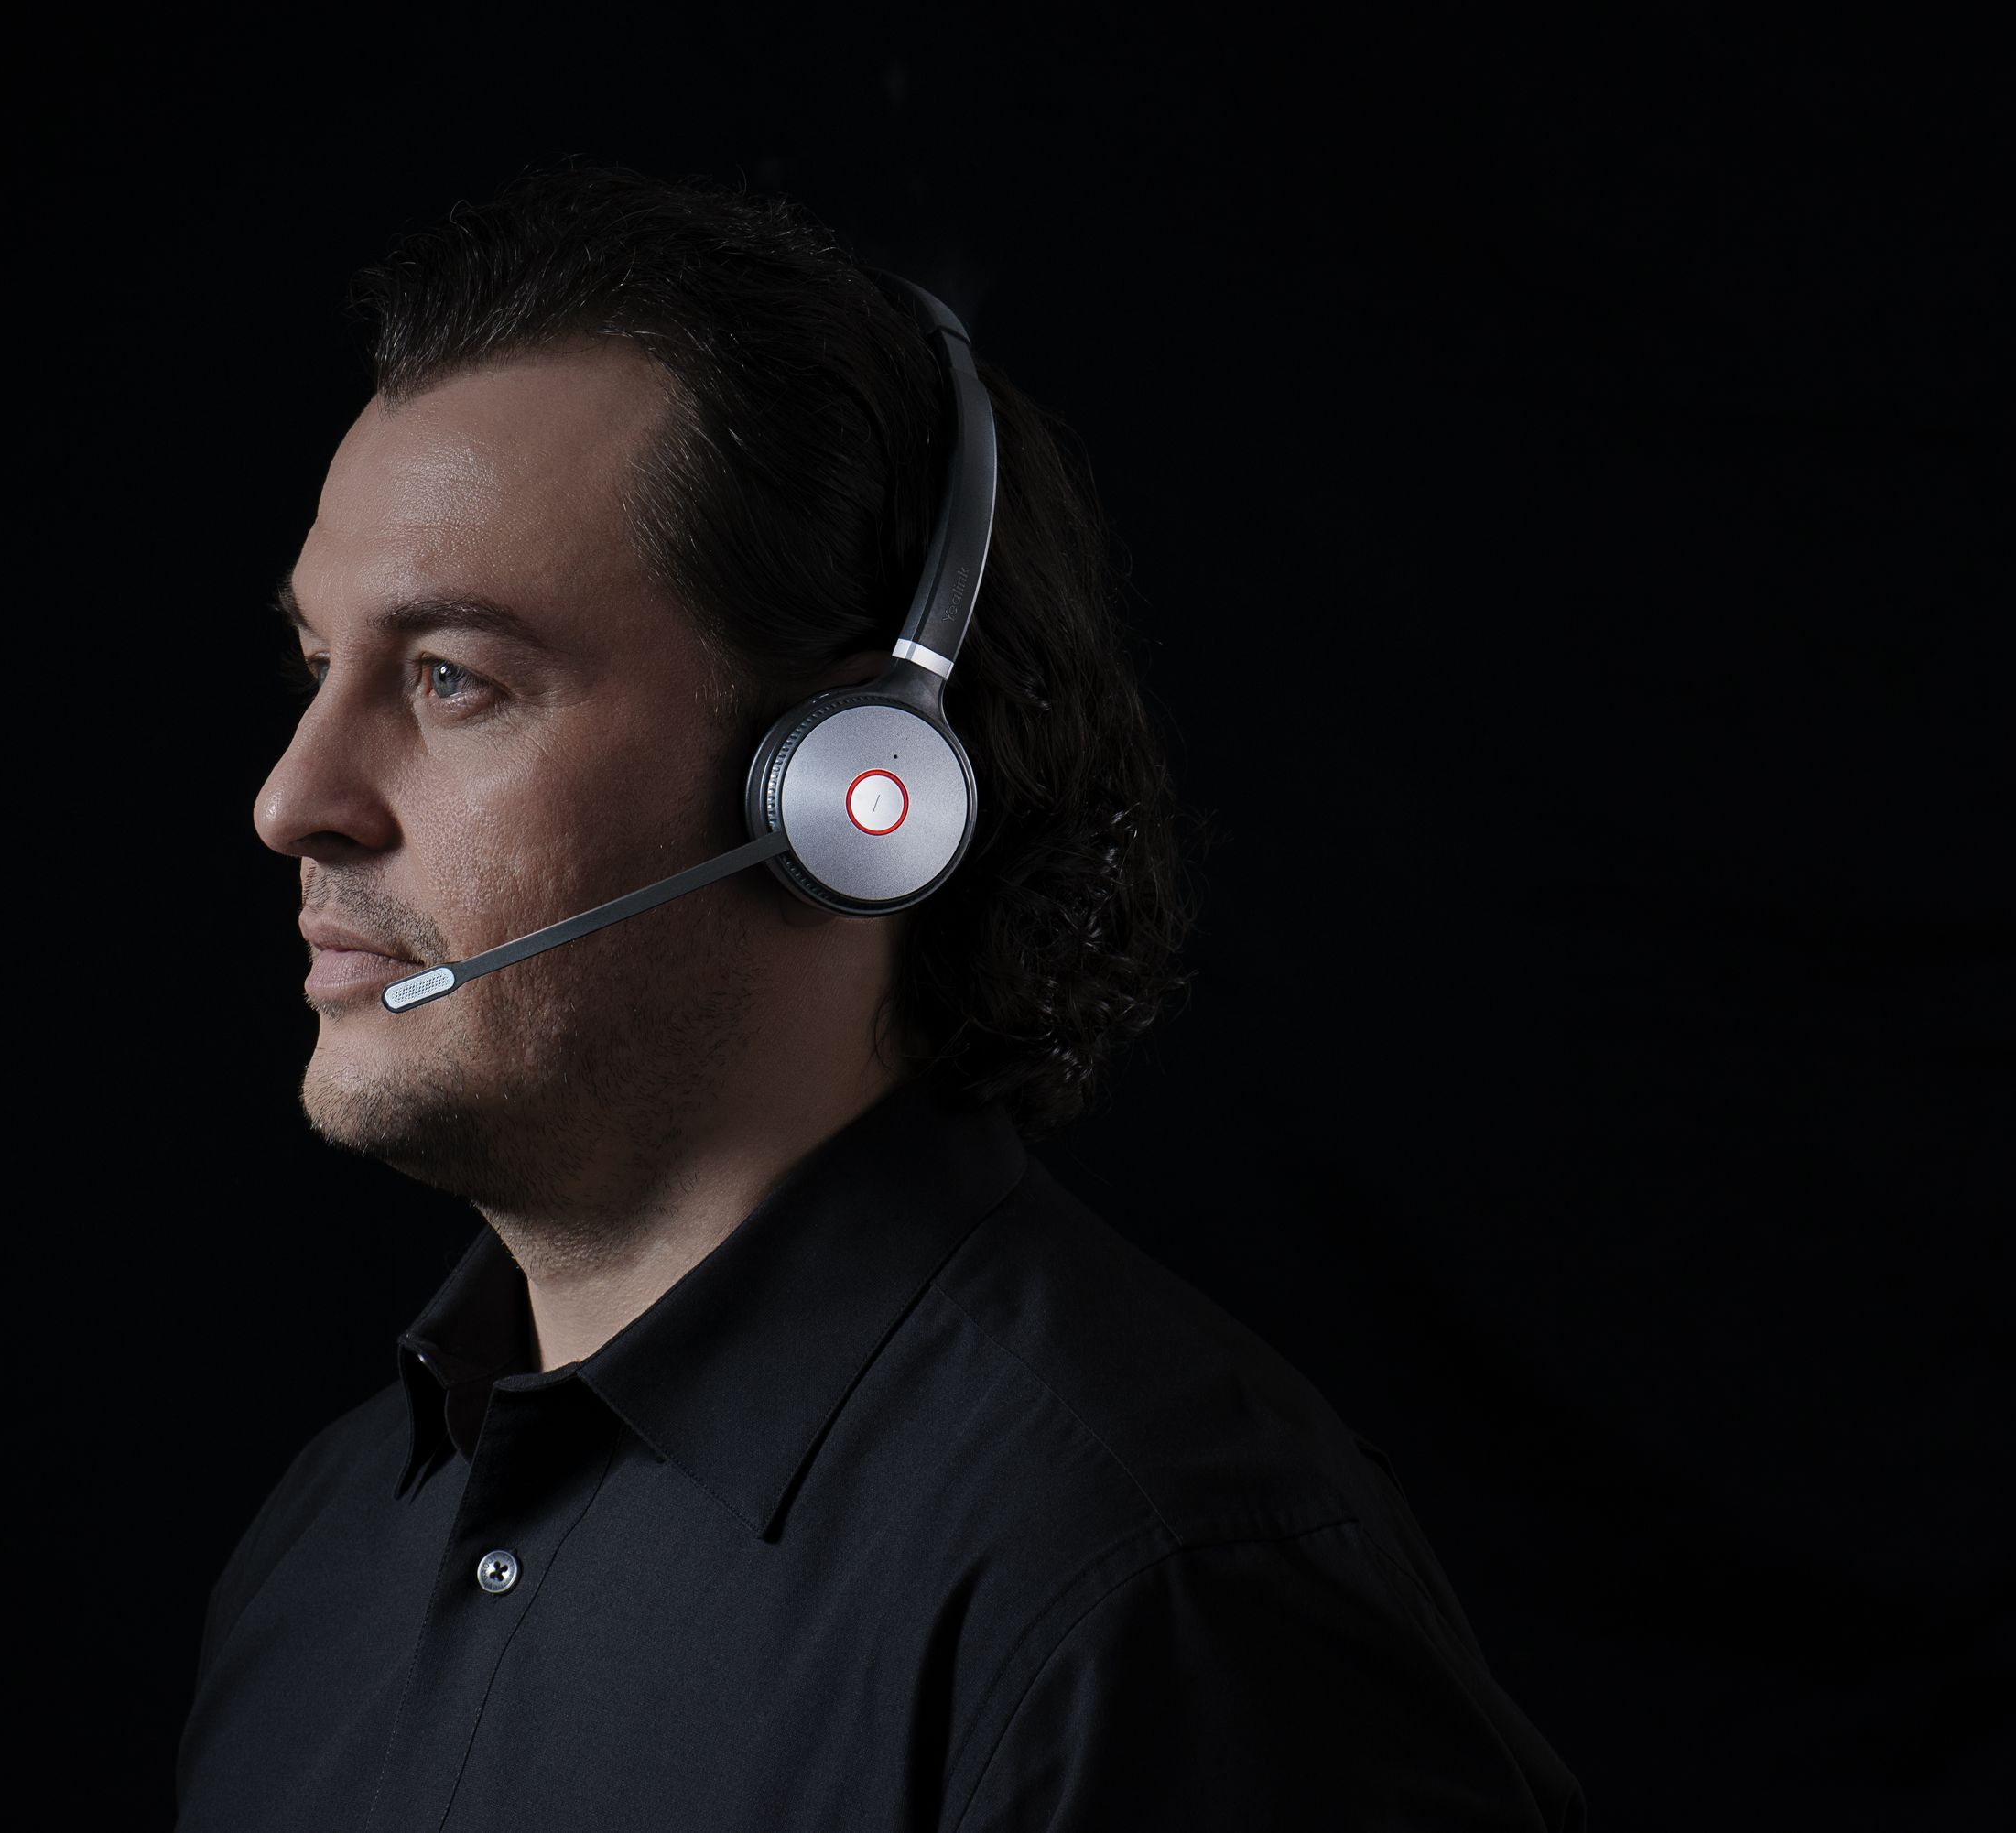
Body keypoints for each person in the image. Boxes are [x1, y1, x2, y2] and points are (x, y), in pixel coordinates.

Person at [179, 166, 1583, 1831]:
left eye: (451, 679)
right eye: (315, 666)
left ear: (855, 791)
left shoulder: (1152, 1587)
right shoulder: (321, 1555)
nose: (293, 798)